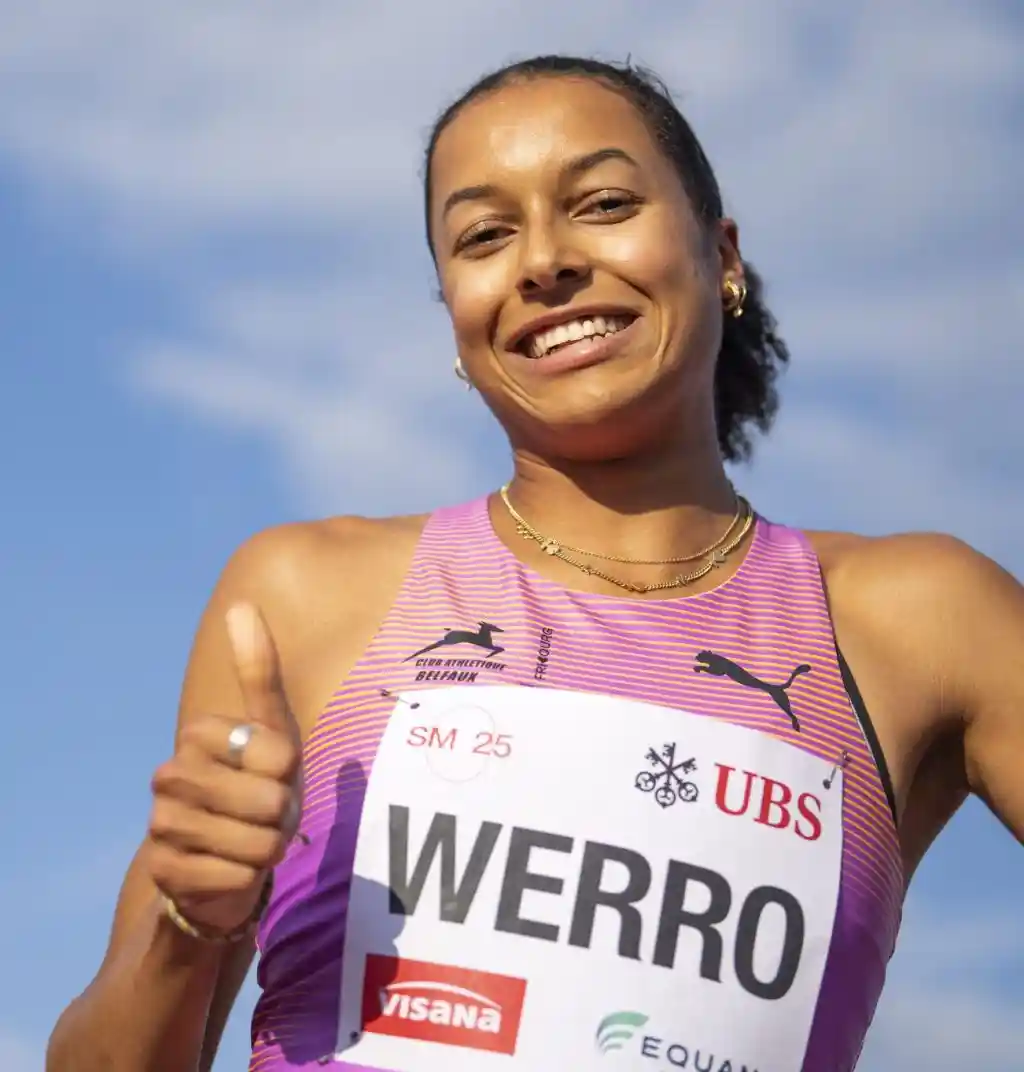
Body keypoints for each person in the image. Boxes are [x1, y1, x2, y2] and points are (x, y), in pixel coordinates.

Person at [46, 55, 1023, 1072]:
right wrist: (189, 931)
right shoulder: (302, 595)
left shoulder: (923, 618)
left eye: (602, 204)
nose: (543, 261)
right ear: (453, 314)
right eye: (484, 235)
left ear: (722, 255)